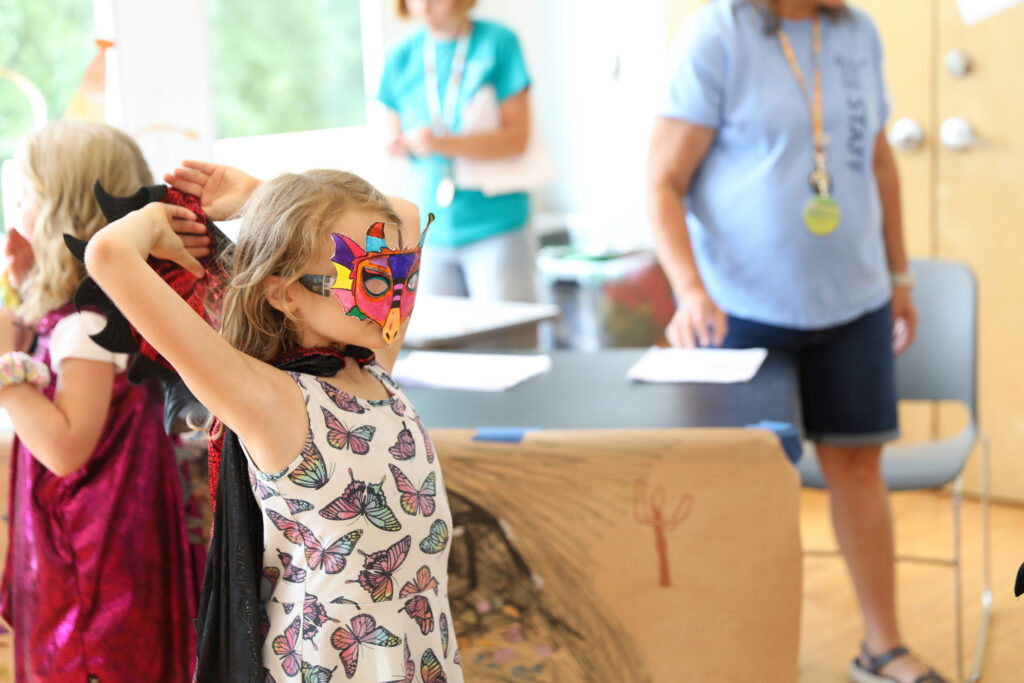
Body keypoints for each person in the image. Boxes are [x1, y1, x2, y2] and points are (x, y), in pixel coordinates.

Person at [647, 2, 944, 682]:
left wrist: (900, 275)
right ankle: (741, 657)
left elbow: (878, 161)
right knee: (746, 487)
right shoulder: (716, 37)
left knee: (859, 469)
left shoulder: (856, 31)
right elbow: (662, 181)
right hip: (741, 313)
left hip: (855, 301)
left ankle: (881, 648)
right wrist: (689, 288)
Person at [90, 161, 464, 682]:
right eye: (373, 279)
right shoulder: (270, 402)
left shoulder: (374, 368)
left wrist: (261, 196)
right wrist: (154, 222)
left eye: (402, 273)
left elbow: (404, 215)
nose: (395, 297)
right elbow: (107, 255)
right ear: (286, 294)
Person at [0, 120, 199, 682]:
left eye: (26, 193)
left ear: (61, 212)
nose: (14, 205)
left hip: (91, 561)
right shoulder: (94, 314)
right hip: (105, 544)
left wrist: (5, 377)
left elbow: (66, 449)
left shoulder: (86, 327)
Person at [378, 0, 536, 302]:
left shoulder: (497, 42)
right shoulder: (400, 57)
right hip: (429, 229)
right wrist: (401, 144)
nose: (424, 7)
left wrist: (442, 143)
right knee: (442, 329)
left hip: (495, 224)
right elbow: (393, 132)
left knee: (505, 328)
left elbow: (517, 139)